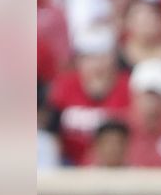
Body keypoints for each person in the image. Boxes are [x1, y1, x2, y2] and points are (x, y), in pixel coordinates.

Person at [47, 28, 131, 164]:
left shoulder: (127, 86)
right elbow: (52, 132)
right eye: (89, 57)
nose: (96, 64)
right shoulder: (65, 85)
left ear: (113, 58)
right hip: (69, 163)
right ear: (78, 60)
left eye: (102, 56)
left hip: (115, 164)